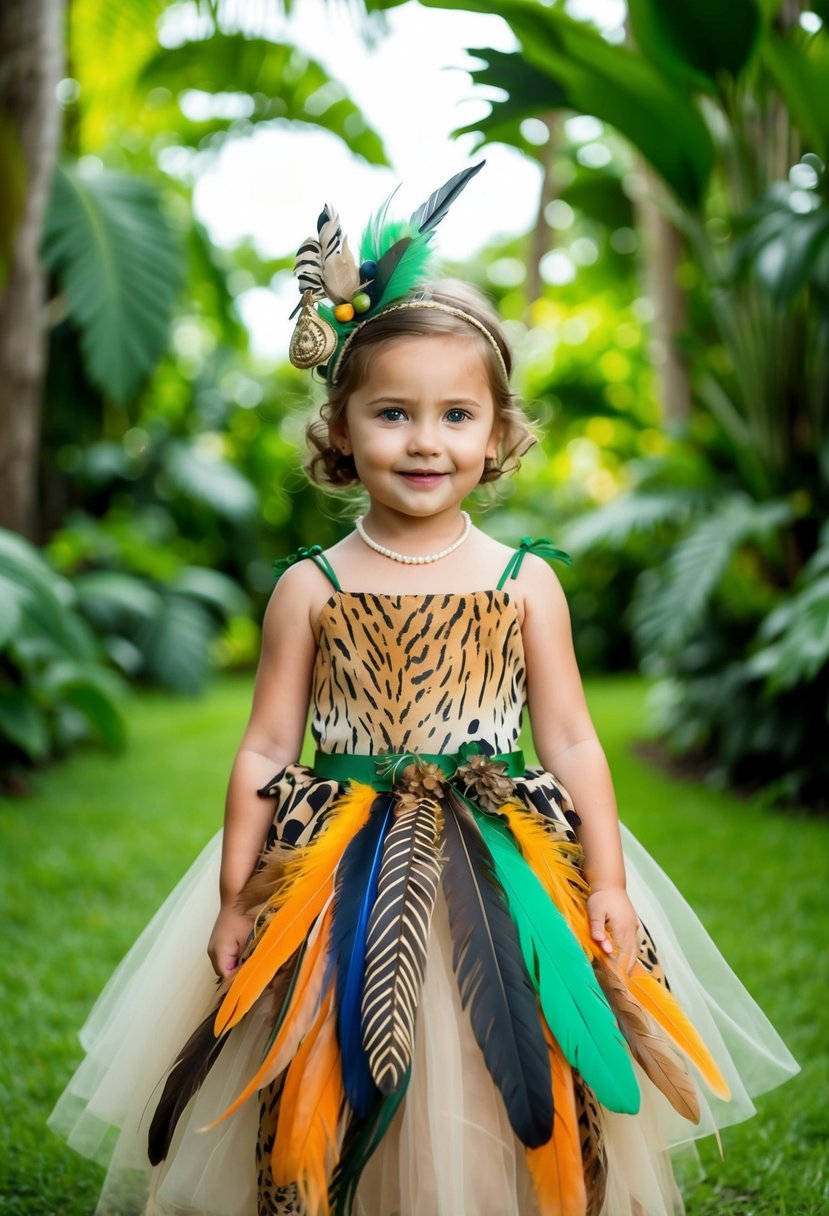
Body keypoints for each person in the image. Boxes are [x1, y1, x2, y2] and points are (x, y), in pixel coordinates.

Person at [49, 164, 798, 1216]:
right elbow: (266, 748)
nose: (424, 440)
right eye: (392, 413)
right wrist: (232, 895)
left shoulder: (522, 580)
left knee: (503, 1041)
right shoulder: (309, 588)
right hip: (337, 860)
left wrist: (614, 883)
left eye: (455, 415)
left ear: (495, 436)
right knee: (339, 1041)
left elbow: (575, 740)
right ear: (340, 429)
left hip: (506, 847)